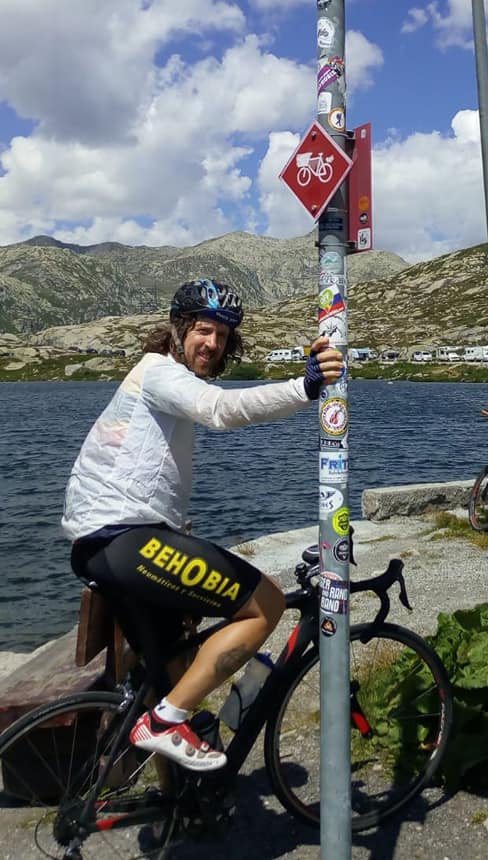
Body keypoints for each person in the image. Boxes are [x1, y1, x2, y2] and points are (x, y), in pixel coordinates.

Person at [62, 278, 344, 772]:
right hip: (120, 539)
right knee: (265, 604)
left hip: (110, 543)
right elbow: (221, 409)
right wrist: (305, 387)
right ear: (178, 329)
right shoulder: (158, 372)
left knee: (173, 671)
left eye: (222, 335)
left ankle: (181, 798)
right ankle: (166, 722)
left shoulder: (163, 380)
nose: (212, 343)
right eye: (203, 330)